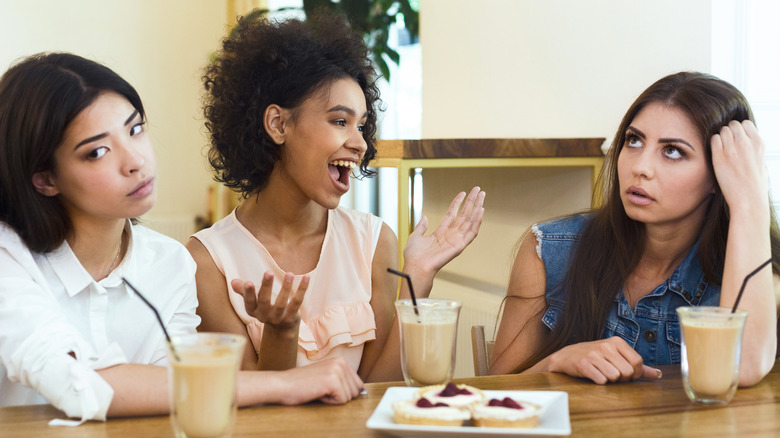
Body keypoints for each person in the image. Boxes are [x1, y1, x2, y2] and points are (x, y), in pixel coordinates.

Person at [0, 52, 363, 423]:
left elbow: (176, 387)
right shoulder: (8, 257)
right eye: (97, 152)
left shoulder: (170, 262)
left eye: (135, 129)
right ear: (45, 179)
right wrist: (286, 385)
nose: (135, 161)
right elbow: (78, 383)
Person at [188, 14, 485, 382]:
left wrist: (418, 276)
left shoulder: (374, 242)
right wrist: (281, 332)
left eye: (361, 125)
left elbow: (377, 387)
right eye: (340, 122)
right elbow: (254, 406)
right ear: (278, 125)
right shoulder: (207, 261)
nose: (360, 143)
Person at [490, 72, 780, 386]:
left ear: (719, 175)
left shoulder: (761, 270)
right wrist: (559, 360)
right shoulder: (550, 249)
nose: (640, 167)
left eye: (672, 151)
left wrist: (749, 202)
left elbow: (744, 367)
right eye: (634, 140)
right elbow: (495, 389)